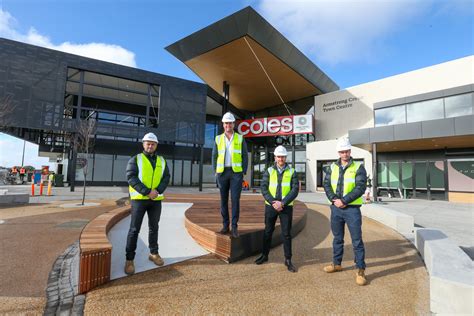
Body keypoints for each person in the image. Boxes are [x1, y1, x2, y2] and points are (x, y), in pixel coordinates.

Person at [323, 137, 368, 285]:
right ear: (338, 152)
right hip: (336, 208)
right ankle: (337, 264)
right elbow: (327, 185)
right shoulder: (332, 167)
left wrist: (344, 201)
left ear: (350, 151)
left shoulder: (358, 167)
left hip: (352, 210)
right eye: (342, 152)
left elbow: (360, 187)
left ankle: (360, 270)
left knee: (356, 241)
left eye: (347, 151)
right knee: (337, 238)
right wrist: (334, 199)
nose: (345, 154)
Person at [124, 132, 170, 275]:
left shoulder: (162, 161)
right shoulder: (135, 159)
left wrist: (157, 191)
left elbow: (166, 177)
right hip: (139, 200)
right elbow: (131, 177)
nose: (150, 145)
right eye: (148, 143)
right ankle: (129, 259)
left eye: (153, 143)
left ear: (156, 145)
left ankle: (154, 253)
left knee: (154, 227)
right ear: (143, 144)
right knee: (134, 230)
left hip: (155, 200)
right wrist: (147, 191)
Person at [254, 145, 299, 272]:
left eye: (283, 156)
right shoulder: (268, 171)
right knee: (268, 231)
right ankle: (264, 255)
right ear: (275, 157)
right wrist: (273, 202)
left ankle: (288, 259)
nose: (281, 159)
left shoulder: (292, 172)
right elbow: (264, 188)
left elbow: (295, 190)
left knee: (286, 234)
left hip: (286, 207)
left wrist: (283, 203)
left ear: (285, 157)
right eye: (279, 156)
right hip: (271, 206)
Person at [212, 112, 248, 238]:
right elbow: (214, 156)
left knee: (235, 200)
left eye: (230, 123)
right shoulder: (218, 139)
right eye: (226, 123)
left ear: (234, 124)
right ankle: (225, 225)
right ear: (223, 124)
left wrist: (243, 171)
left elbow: (244, 155)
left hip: (236, 173)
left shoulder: (240, 138)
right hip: (222, 173)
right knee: (223, 201)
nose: (228, 125)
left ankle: (234, 227)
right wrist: (215, 171)